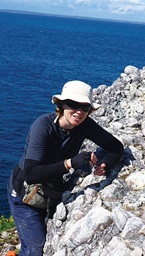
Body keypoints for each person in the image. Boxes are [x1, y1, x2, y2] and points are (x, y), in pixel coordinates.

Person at [7, 80, 124, 256]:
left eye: (85, 108)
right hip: (24, 195)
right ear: (62, 105)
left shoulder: (84, 125)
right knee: (35, 248)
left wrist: (106, 164)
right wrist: (70, 163)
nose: (79, 111)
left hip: (49, 191)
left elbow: (116, 146)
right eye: (73, 105)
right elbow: (31, 174)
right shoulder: (43, 126)